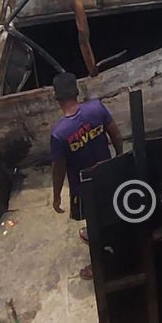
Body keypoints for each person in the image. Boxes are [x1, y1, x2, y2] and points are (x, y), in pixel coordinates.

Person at [50, 72, 122, 224]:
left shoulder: (59, 134)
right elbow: (116, 135)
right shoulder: (97, 108)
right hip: (106, 172)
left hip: (82, 187)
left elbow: (58, 170)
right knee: (110, 205)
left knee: (92, 217)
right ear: (77, 91)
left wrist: (56, 196)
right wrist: (118, 158)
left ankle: (96, 236)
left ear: (57, 98)